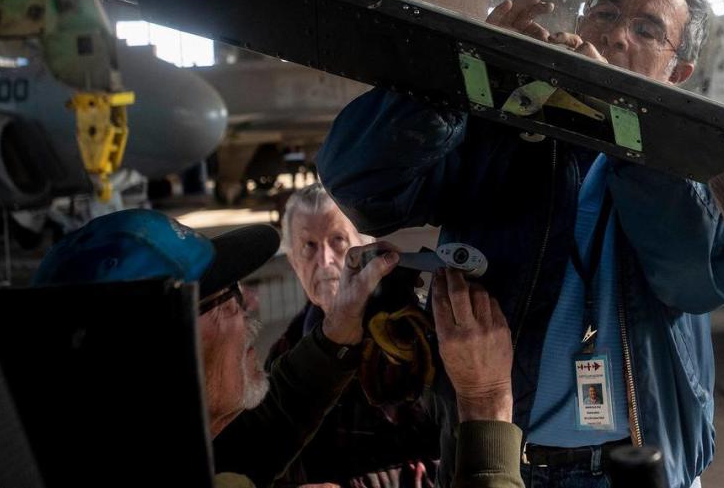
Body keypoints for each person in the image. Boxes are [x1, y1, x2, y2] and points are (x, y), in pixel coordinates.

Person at [316, 0, 724, 488]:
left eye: (646, 30)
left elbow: (697, 276)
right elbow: (363, 181)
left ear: (677, 71)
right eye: (605, 12)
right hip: (501, 460)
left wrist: (623, 124)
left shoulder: (691, 161)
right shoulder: (506, 125)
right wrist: (458, 77)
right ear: (581, 19)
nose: (616, 34)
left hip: (636, 465)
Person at [33, 209, 522, 488]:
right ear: (161, 344)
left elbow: (256, 437)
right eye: (226, 295)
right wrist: (486, 402)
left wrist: (338, 333)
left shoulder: (138, 455)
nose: (249, 300)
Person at [268, 183, 440, 488]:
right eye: (308, 246)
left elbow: (447, 458)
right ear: (294, 263)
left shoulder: (407, 338)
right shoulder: (285, 350)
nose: (325, 261)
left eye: (337, 241)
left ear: (364, 247)